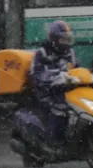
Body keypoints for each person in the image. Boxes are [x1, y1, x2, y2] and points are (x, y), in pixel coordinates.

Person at [29, 20, 79, 149]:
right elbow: (36, 75)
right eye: (63, 40)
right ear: (54, 39)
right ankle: (51, 140)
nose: (66, 43)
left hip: (67, 89)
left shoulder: (70, 53)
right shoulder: (42, 53)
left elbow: (78, 69)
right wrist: (54, 78)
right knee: (60, 107)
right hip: (46, 92)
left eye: (68, 40)